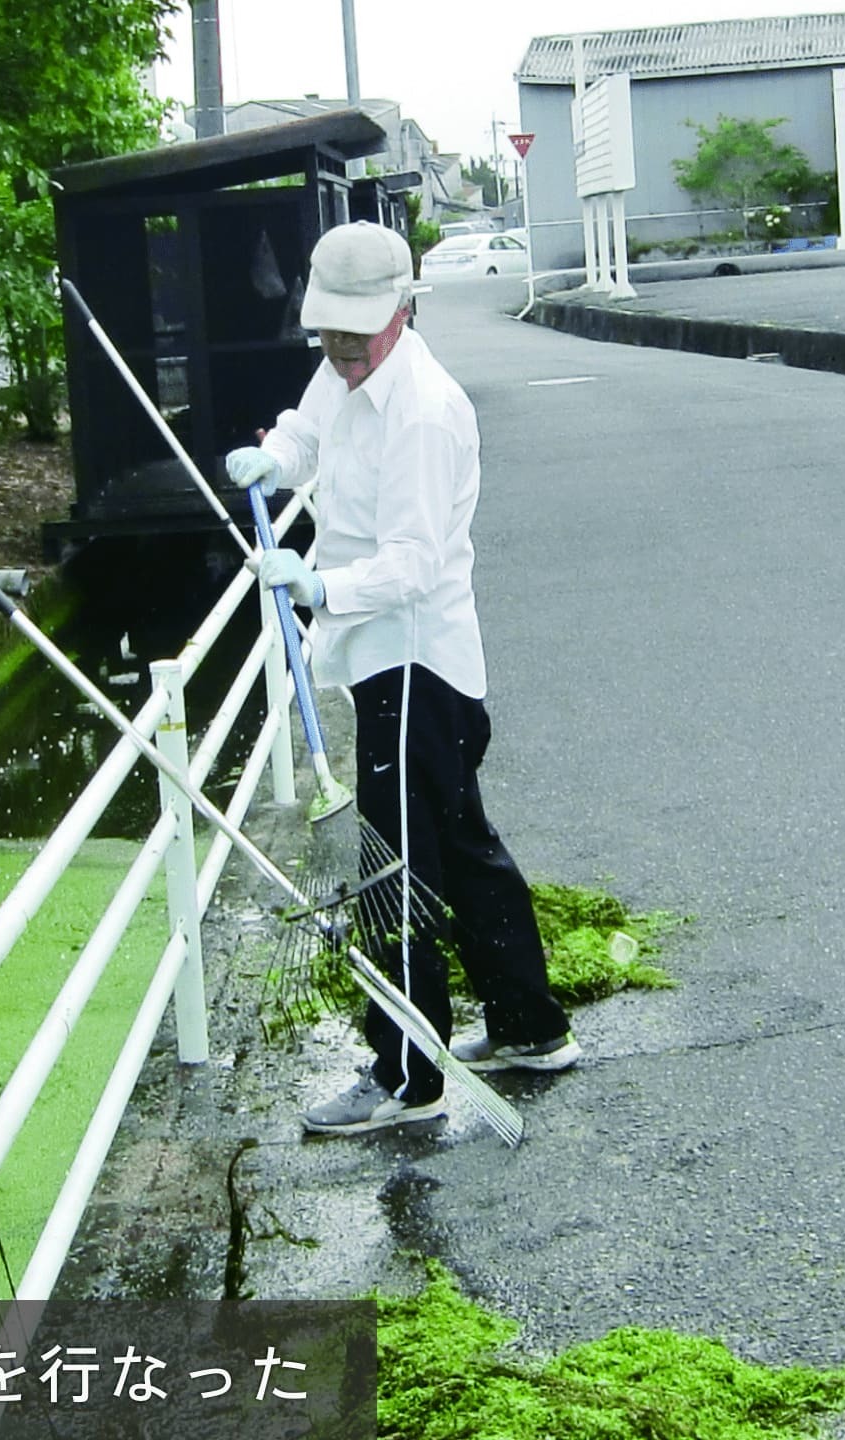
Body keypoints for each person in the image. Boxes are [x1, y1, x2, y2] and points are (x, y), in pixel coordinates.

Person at [223, 221, 577, 1137]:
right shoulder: (348, 372)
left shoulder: (423, 408)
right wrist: (276, 456)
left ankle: (405, 1074)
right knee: (460, 847)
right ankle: (530, 1026)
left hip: (414, 660)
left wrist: (319, 582)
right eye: (328, 333)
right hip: (395, 658)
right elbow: (309, 429)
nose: (340, 350)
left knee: (396, 870)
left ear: (403, 309)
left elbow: (415, 559)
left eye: (357, 332)